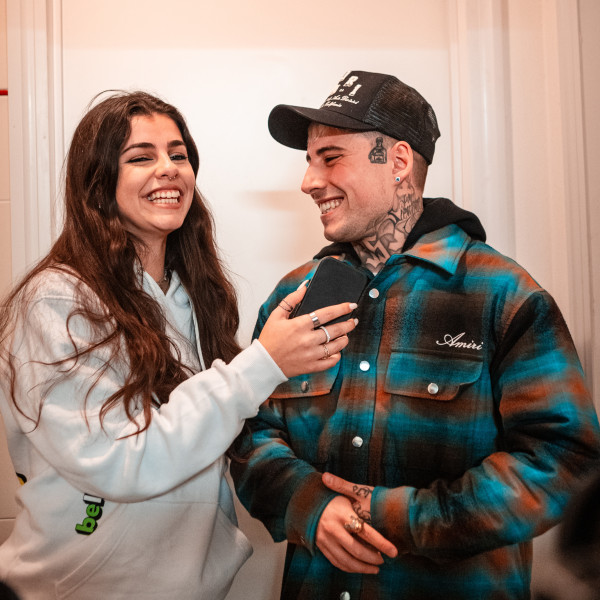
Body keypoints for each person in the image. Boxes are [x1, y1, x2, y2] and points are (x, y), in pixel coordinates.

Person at [230, 70, 600, 600]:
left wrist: (404, 518)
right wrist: (311, 507)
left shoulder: (502, 295)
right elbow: (250, 433)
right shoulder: (294, 297)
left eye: (330, 158)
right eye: (309, 161)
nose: (309, 181)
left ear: (399, 161)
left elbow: (562, 456)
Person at [0, 91, 357, 600]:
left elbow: (220, 429)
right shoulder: (57, 300)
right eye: (140, 157)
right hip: (74, 588)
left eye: (178, 154)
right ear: (98, 182)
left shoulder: (194, 298)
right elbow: (119, 460)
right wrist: (262, 364)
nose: (168, 169)